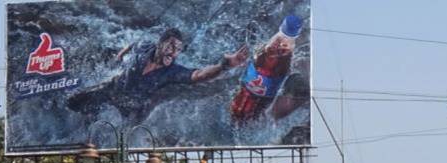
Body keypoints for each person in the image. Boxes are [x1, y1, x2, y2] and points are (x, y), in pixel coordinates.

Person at [67, 28, 248, 121]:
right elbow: (132, 45)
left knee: (122, 135)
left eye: (178, 49)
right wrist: (118, 58)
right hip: (112, 89)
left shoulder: (172, 72)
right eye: (170, 46)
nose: (173, 52)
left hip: (133, 106)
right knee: (73, 102)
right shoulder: (145, 46)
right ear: (160, 43)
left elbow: (199, 75)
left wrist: (224, 65)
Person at [230, 15, 304, 123]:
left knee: (249, 117)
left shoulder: (280, 53)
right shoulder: (276, 51)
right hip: (247, 95)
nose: (278, 46)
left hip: (254, 100)